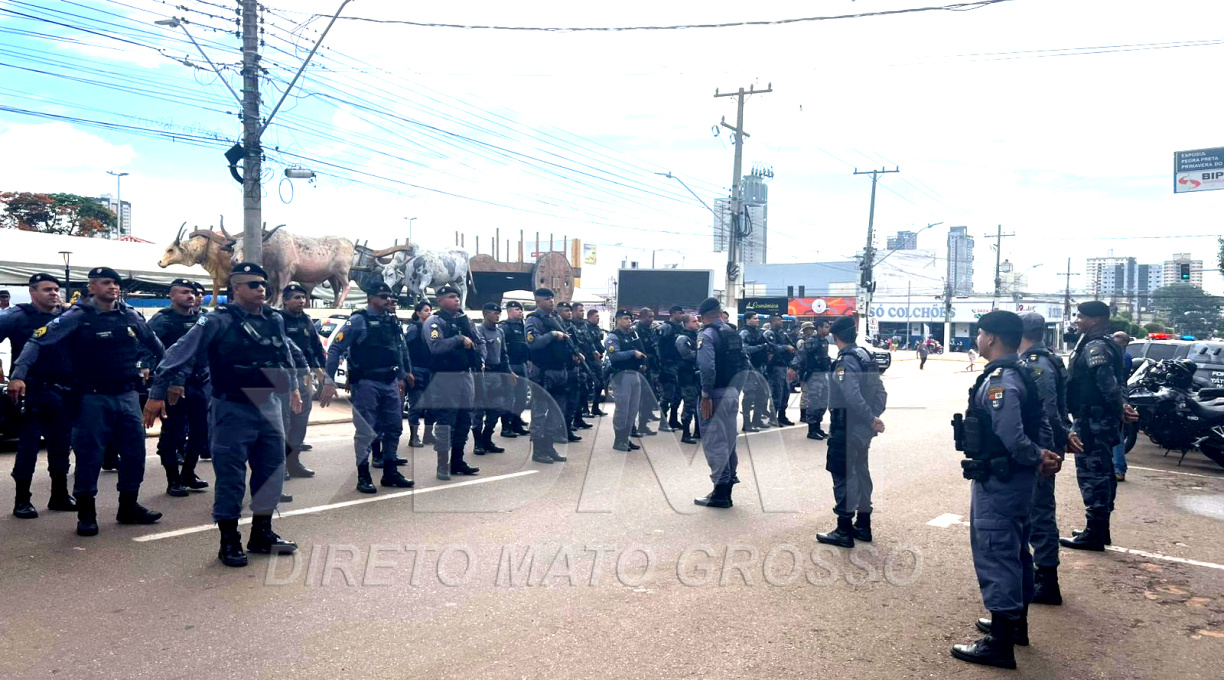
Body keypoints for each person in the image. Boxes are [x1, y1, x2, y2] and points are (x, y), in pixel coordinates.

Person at [146, 263, 300, 566]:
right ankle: (229, 540)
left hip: (269, 404)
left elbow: (285, 354)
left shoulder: (274, 319)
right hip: (232, 407)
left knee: (271, 472)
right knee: (231, 477)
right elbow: (178, 354)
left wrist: (293, 387)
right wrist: (155, 394)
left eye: (263, 284)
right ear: (236, 288)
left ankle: (262, 533)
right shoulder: (216, 321)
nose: (261, 289)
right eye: (253, 284)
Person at [10, 267, 165, 536]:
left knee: (134, 454)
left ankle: (128, 506)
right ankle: (86, 514)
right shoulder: (76, 316)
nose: (113, 287)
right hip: (91, 397)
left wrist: (158, 374)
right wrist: (18, 375)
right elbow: (37, 342)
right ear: (92, 287)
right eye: (106, 283)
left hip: (127, 395)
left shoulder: (129, 314)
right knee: (89, 455)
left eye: (116, 283)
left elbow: (156, 346)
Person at [950, 310, 1062, 670]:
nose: (977, 339)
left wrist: (1034, 457)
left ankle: (1000, 642)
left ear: (992, 338)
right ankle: (1016, 625)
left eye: (980, 333)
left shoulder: (1001, 380)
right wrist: (1043, 457)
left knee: (997, 552)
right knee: (1016, 552)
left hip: (1001, 479)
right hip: (1017, 479)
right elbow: (1041, 422)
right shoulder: (1023, 372)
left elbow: (1012, 436)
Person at [322, 282, 414, 492]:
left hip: (389, 381)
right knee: (366, 430)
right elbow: (336, 348)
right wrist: (329, 381)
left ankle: (390, 472)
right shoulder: (358, 320)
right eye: (383, 296)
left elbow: (397, 349)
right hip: (366, 383)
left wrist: (402, 375)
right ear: (371, 299)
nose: (388, 300)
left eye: (389, 296)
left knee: (394, 427)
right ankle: (363, 475)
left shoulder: (391, 321)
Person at [1060, 301, 1135, 551]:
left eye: (1080, 317)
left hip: (1092, 421)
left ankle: (1094, 533)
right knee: (1103, 472)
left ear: (1094, 319)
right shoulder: (1108, 343)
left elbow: (1107, 381)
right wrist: (1121, 406)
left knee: (1093, 475)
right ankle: (1099, 529)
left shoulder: (1095, 346)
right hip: (1100, 419)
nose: (1077, 320)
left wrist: (1119, 407)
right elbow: (1119, 381)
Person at [0, 274, 74, 518]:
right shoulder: (17, 316)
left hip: (62, 391)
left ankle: (60, 495)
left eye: (56, 289)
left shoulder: (66, 317)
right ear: (33, 292)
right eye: (47, 289)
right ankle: (22, 500)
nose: (54, 293)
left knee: (61, 446)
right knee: (28, 448)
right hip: (30, 390)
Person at [815, 316, 887, 548]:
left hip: (846, 427)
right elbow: (881, 393)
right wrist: (873, 418)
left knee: (843, 473)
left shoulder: (845, 361)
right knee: (861, 472)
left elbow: (851, 395)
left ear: (835, 338)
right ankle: (863, 525)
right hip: (862, 429)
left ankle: (844, 529)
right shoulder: (866, 356)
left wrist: (869, 418)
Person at [1018, 312, 1074, 606]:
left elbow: (1048, 410)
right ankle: (1042, 575)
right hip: (1046, 445)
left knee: (1039, 512)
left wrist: (1058, 439)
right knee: (1036, 510)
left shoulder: (1036, 364)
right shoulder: (1048, 358)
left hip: (1042, 448)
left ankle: (1047, 580)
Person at [148, 278, 211, 498]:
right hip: (172, 385)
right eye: (184, 292)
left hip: (199, 383)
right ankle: (173, 479)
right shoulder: (163, 320)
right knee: (173, 433)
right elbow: (151, 350)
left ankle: (188, 473)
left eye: (192, 292)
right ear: (172, 295)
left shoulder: (203, 319)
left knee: (200, 432)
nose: (190, 296)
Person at [424, 285, 481, 480]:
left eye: (457, 296)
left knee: (465, 419)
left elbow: (479, 342)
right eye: (450, 297)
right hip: (445, 378)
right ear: (439, 301)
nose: (456, 299)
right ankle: (442, 464)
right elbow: (436, 347)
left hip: (465, 375)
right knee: (446, 421)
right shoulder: (434, 321)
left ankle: (458, 461)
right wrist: (459, 339)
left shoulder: (464, 320)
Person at [694, 297, 746, 508]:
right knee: (729, 441)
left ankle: (720, 493)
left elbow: (707, 369)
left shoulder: (706, 335)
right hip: (732, 391)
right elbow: (745, 363)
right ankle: (727, 486)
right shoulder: (733, 333)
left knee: (715, 442)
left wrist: (706, 395)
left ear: (703, 316)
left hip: (714, 394)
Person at [274, 284, 325, 479]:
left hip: (304, 377)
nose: (301, 301)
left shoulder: (306, 320)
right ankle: (281, 466)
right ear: (285, 300)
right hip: (282, 378)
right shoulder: (276, 320)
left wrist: (324, 373)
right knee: (283, 423)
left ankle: (294, 462)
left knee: (300, 422)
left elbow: (316, 347)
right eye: (296, 297)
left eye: (303, 298)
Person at [525, 288, 576, 463]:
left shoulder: (555, 318)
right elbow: (533, 343)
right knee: (539, 413)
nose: (551, 301)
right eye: (547, 299)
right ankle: (538, 451)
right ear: (538, 301)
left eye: (552, 298)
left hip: (560, 371)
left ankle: (549, 447)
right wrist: (553, 335)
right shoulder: (534, 320)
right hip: (543, 373)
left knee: (557, 412)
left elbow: (565, 343)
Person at [605, 309, 646, 452]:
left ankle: (626, 438)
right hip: (621, 376)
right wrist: (632, 353)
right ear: (617, 320)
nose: (629, 321)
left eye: (630, 319)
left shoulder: (632, 335)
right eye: (625, 318)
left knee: (632, 409)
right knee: (622, 410)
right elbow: (614, 356)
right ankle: (619, 440)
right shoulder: (613, 337)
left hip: (634, 374)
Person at [472, 302, 509, 455]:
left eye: (498, 313)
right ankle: (478, 442)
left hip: (496, 375)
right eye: (494, 313)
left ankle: (487, 438)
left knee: (497, 408)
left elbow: (504, 354)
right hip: (482, 375)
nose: (497, 315)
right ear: (485, 314)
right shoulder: (478, 331)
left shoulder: (500, 332)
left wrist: (509, 372)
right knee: (479, 410)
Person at [791, 320, 832, 440]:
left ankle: (817, 427)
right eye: (826, 327)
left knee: (823, 402)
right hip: (814, 376)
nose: (828, 329)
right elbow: (800, 355)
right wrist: (793, 368)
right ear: (819, 328)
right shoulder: (811, 342)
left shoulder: (824, 341)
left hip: (823, 375)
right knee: (814, 402)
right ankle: (811, 430)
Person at [404, 301, 436, 448]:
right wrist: (408, 370)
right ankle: (413, 436)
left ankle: (428, 435)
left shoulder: (432, 328)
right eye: (426, 310)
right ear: (418, 313)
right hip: (416, 370)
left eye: (430, 310)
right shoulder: (413, 329)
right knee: (416, 404)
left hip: (430, 370)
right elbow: (405, 351)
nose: (429, 313)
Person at [499, 300, 531, 437]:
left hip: (521, 364)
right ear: (510, 311)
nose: (520, 312)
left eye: (521, 310)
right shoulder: (504, 327)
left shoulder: (523, 326)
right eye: (517, 309)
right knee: (508, 397)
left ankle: (517, 423)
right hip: (510, 365)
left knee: (522, 397)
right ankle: (506, 427)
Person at [558, 302, 590, 435]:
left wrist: (577, 354)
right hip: (562, 368)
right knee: (563, 400)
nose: (569, 313)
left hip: (574, 367)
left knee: (574, 397)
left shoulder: (571, 327)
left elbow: (577, 344)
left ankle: (569, 424)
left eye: (570, 311)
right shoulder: (556, 327)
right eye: (566, 311)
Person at [739, 311, 772, 432]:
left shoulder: (758, 333)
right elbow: (744, 349)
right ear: (747, 320)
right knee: (750, 395)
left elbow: (767, 345)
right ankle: (747, 423)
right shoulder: (744, 333)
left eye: (758, 318)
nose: (757, 320)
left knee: (762, 393)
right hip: (749, 367)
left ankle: (757, 419)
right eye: (755, 318)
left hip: (760, 367)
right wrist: (761, 347)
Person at [656, 305, 686, 431]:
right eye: (680, 313)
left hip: (678, 364)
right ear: (672, 314)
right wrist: (660, 362)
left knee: (678, 394)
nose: (682, 315)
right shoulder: (666, 327)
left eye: (683, 312)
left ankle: (673, 420)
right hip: (667, 365)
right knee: (668, 394)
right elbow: (657, 345)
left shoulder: (681, 327)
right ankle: (663, 422)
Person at [674, 313, 702, 444]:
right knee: (689, 404)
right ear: (686, 324)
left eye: (697, 321)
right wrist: (702, 353)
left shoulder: (697, 336)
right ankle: (686, 433)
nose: (697, 323)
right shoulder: (682, 338)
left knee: (700, 404)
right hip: (686, 376)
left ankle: (698, 430)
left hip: (698, 375)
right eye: (694, 321)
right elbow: (688, 355)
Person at [764, 313, 797, 426]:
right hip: (775, 367)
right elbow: (770, 347)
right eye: (778, 320)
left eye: (781, 320)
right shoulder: (768, 333)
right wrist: (785, 347)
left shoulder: (783, 334)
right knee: (777, 392)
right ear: (772, 321)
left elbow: (792, 346)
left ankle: (782, 416)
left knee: (786, 392)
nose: (781, 322)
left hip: (784, 366)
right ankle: (773, 418)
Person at [1111, 331, 1133, 481]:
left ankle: (1119, 468)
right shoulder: (1115, 355)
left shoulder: (1123, 357)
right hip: (1117, 395)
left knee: (1117, 435)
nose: (1115, 339)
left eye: (1119, 337)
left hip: (1117, 397)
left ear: (1125, 342)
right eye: (1114, 336)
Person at [634, 308, 661, 428]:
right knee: (642, 396)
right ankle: (641, 425)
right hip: (641, 366)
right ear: (642, 317)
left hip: (651, 365)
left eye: (652, 317)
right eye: (649, 317)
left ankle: (645, 420)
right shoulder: (636, 331)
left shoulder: (650, 330)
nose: (651, 319)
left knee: (650, 394)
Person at [580, 308, 607, 417]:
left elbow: (598, 342)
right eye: (596, 316)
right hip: (589, 359)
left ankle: (595, 407)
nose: (598, 318)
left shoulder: (597, 328)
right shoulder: (585, 327)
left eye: (598, 316)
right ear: (590, 317)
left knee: (600, 383)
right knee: (587, 385)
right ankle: (585, 409)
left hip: (597, 359)